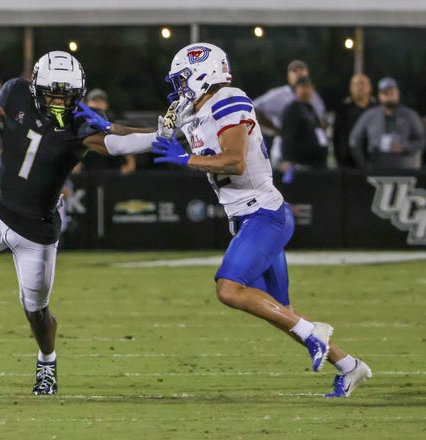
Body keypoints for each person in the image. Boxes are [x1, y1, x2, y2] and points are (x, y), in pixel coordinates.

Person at [79, 43, 372, 398]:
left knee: (229, 289)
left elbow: (235, 161)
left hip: (265, 215)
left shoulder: (229, 100)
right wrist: (106, 128)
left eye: (183, 78)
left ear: (206, 73)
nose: (179, 88)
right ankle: (350, 366)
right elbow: (152, 139)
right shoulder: (192, 110)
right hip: (253, 217)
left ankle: (317, 336)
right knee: (286, 314)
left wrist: (186, 160)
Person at [0, 51, 155, 395]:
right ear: (37, 88)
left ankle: (47, 361)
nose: (59, 101)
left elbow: (116, 139)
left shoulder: (81, 122)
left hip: (37, 232)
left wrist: (160, 135)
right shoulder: (16, 92)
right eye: (53, 93)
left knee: (36, 314)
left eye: (66, 95)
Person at [253, 60, 326, 166]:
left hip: (307, 151)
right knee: (284, 179)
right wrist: (274, 128)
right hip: (286, 147)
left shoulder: (314, 99)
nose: (299, 74)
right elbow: (254, 108)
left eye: (301, 71)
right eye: (295, 71)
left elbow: (321, 120)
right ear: (289, 76)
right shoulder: (280, 96)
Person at [349, 77, 425, 170]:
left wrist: (405, 147)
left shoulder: (410, 115)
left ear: (398, 94)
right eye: (385, 93)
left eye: (392, 93)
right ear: (379, 95)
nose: (389, 96)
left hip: (405, 169)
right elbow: (354, 140)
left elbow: (422, 140)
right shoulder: (370, 116)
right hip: (377, 169)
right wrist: (363, 165)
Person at [75, 88, 136, 175]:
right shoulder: (80, 121)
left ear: (106, 104)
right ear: (87, 103)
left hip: (110, 166)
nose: (98, 104)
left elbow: (123, 141)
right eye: (94, 100)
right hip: (87, 167)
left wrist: (131, 162)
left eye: (101, 101)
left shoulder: (112, 121)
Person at [279, 76, 329, 173]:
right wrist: (287, 159)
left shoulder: (310, 108)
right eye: (303, 87)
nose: (306, 91)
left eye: (309, 87)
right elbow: (287, 136)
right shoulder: (292, 110)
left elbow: (318, 132)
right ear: (295, 90)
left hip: (314, 163)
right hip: (300, 164)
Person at [332, 73, 376, 168]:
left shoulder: (377, 109)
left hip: (372, 161)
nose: (360, 87)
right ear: (351, 88)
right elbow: (336, 136)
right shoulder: (343, 110)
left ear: (370, 87)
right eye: (356, 84)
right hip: (348, 163)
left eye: (363, 84)